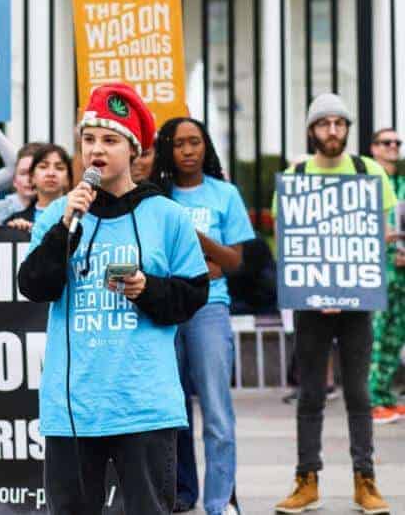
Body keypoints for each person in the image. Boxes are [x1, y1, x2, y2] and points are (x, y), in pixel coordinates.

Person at [18, 82, 209, 515]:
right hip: (73, 405)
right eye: (88, 139)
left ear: (134, 150)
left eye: (110, 140)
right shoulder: (59, 214)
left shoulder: (168, 216)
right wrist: (65, 226)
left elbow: (193, 295)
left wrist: (147, 289)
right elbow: (33, 286)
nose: (96, 150)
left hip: (144, 403)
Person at [274, 93, 394, 515]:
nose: (332, 131)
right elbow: (289, 242)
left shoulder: (368, 171)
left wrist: (346, 285)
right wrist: (318, 288)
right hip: (311, 305)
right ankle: (306, 479)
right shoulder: (296, 175)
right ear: (312, 130)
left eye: (339, 123)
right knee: (311, 393)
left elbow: (380, 234)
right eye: (324, 123)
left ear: (347, 129)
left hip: (357, 302)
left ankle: (366, 479)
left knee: (359, 392)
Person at [152, 117, 254, 515]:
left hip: (210, 307)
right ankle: (180, 491)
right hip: (167, 307)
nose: (188, 150)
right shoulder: (157, 195)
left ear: (206, 145)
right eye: (179, 144)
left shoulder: (224, 194)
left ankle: (221, 499)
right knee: (171, 407)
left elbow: (233, 261)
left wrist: (197, 239)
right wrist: (199, 265)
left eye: (194, 142)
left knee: (216, 409)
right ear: (168, 149)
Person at [369, 127, 405, 424]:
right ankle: (372, 399)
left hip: (401, 273)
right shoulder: (367, 184)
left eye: (397, 142)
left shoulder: (402, 184)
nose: (393, 146)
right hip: (377, 271)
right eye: (386, 142)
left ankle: (386, 397)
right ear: (374, 148)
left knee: (396, 337)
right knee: (376, 336)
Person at [0, 143, 72, 233]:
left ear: (68, 178)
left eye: (59, 168)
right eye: (43, 167)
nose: (51, 173)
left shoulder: (79, 215)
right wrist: (15, 233)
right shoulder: (14, 221)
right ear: (32, 177)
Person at [0, 142, 43, 226]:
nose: (29, 179)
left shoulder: (56, 209)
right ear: (14, 180)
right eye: (23, 173)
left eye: (33, 172)